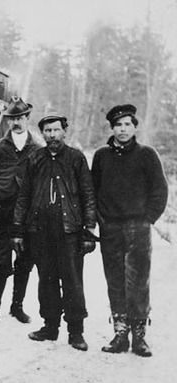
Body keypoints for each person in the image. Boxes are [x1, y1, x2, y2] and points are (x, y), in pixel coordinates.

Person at [11, 115, 96, 351]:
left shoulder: (76, 158)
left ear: (64, 132)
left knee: (72, 280)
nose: (52, 135)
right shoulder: (34, 159)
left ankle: (76, 331)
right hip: (40, 230)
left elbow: (88, 195)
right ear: (43, 134)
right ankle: (50, 326)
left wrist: (89, 230)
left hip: (69, 231)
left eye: (56, 130)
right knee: (46, 279)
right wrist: (17, 230)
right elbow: (24, 196)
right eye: (47, 131)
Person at [92, 104, 168, 357]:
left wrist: (148, 219)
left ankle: (139, 337)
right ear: (112, 128)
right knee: (114, 280)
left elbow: (160, 190)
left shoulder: (147, 154)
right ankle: (120, 333)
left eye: (127, 124)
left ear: (134, 127)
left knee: (138, 281)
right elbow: (93, 190)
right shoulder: (102, 155)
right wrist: (100, 220)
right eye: (118, 125)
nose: (122, 129)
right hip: (110, 227)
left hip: (138, 227)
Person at [0, 96, 41, 330]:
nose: (16, 122)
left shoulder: (37, 148)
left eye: (20, 118)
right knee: (1, 261)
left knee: (26, 260)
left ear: (27, 119)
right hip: (5, 212)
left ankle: (17, 306)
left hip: (29, 214)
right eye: (12, 119)